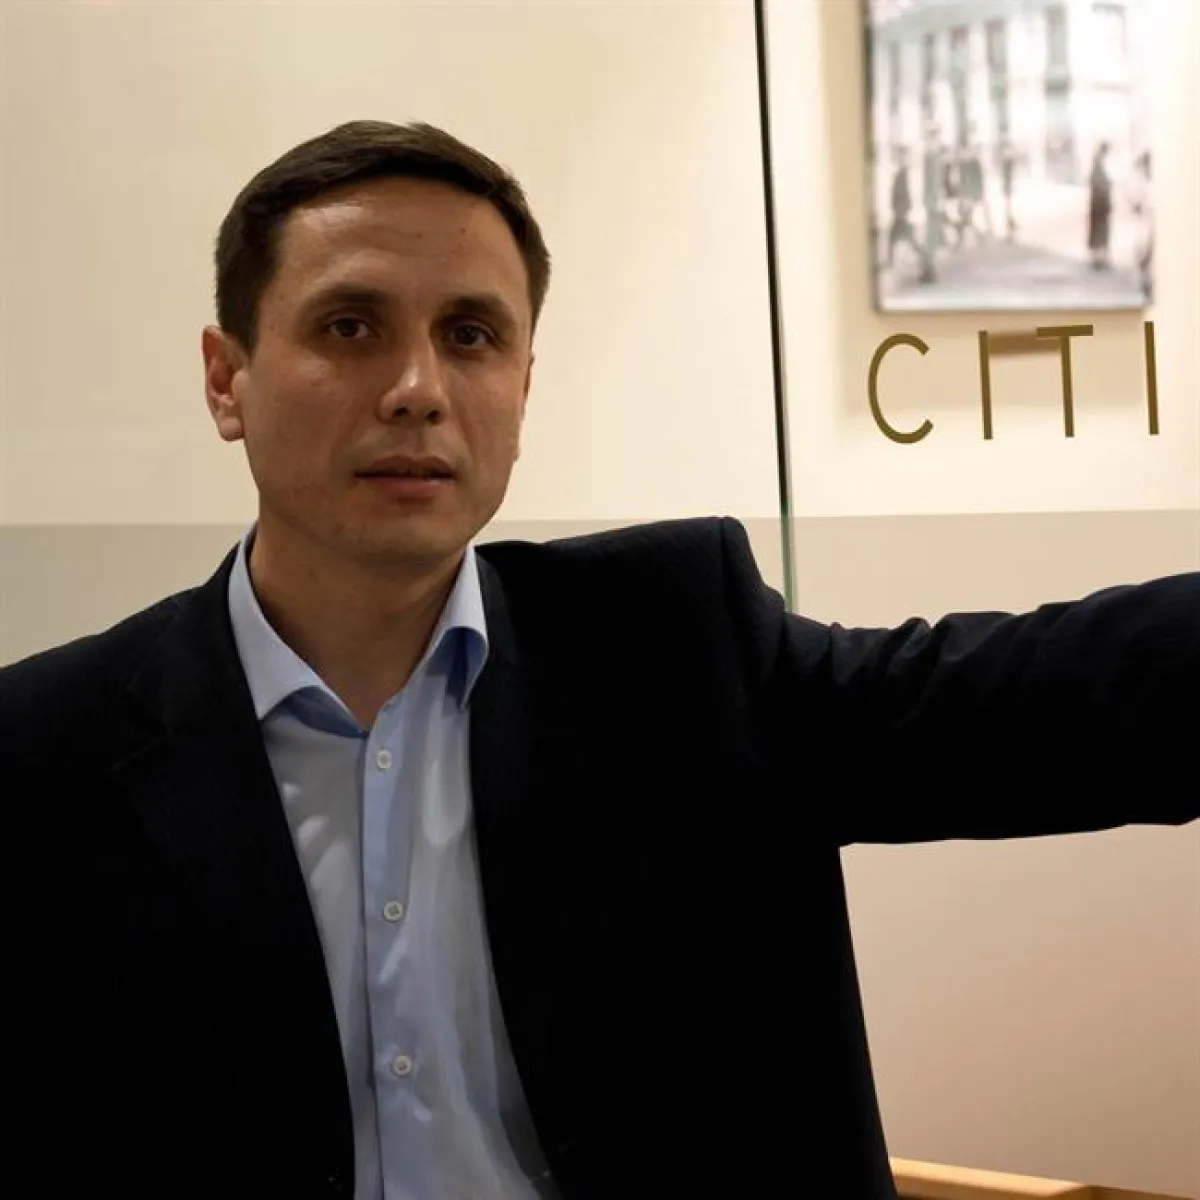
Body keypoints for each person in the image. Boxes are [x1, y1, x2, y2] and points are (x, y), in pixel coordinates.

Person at [4, 120, 1197, 1200]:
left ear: (522, 387)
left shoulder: (675, 649)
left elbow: (1040, 700)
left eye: (471, 336)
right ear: (227, 379)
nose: (418, 390)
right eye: (350, 327)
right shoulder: (48, 748)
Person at [1087, 140, 1114, 269]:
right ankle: (1098, 259)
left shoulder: (1098, 167)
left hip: (1099, 203)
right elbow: (1098, 184)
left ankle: (1099, 258)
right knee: (1100, 231)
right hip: (1100, 203)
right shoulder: (1098, 167)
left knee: (1099, 231)